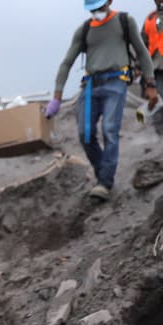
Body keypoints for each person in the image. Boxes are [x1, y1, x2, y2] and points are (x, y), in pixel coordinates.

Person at [49, 0, 158, 199]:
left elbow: (143, 53)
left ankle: (105, 183)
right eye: (92, 9)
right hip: (90, 85)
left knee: (109, 129)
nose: (96, 11)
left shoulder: (125, 21)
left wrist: (150, 84)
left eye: (99, 7)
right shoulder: (84, 30)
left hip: (116, 82)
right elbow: (67, 63)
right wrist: (57, 96)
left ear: (109, 2)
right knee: (85, 134)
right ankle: (102, 173)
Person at [141, 0, 163, 134]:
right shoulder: (150, 19)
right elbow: (141, 45)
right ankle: (159, 135)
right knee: (157, 101)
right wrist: (138, 67)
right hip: (155, 68)